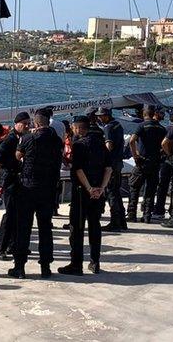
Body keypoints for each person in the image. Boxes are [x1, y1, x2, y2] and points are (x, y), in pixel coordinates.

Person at [10, 112, 64, 279]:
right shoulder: (57, 140)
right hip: (48, 189)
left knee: (23, 228)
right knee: (45, 228)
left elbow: (17, 156)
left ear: (36, 123)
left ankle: (19, 267)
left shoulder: (28, 139)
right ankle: (45, 267)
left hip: (28, 188)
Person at [59, 115, 111, 276]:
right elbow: (108, 169)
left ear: (79, 128)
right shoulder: (102, 145)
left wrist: (89, 188)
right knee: (95, 226)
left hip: (82, 192)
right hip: (99, 192)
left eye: (74, 128)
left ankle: (76, 264)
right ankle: (95, 262)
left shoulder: (79, 145)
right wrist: (101, 188)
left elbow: (79, 170)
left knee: (77, 228)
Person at [0, 112, 28, 261]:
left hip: (18, 179)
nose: (27, 126)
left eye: (28, 123)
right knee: (9, 215)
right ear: (17, 124)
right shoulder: (10, 139)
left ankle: (13, 245)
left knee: (17, 214)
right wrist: (11, 167)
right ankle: (1, 247)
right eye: (24, 123)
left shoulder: (22, 138)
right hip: (10, 179)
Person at [127, 105, 167, 223]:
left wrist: (135, 156)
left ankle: (132, 213)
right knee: (150, 189)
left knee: (134, 187)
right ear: (153, 113)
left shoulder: (142, 126)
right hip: (155, 162)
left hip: (142, 161)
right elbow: (165, 144)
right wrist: (160, 153)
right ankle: (147, 214)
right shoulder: (161, 128)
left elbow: (132, 140)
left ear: (144, 114)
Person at [96, 108, 127, 232]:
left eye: (100, 116)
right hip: (119, 162)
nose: (99, 118)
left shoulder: (108, 127)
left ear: (106, 116)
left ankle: (115, 222)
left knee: (111, 192)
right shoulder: (118, 124)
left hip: (112, 164)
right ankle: (122, 221)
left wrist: (102, 157)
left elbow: (109, 146)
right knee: (116, 192)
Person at [153, 108, 173, 217]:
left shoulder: (165, 129)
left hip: (166, 160)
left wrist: (167, 153)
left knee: (162, 185)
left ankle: (159, 210)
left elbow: (162, 144)